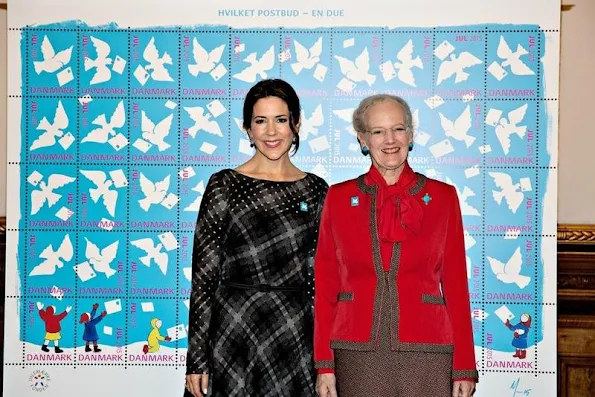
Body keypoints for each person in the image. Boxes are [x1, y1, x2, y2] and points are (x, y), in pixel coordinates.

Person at [313, 94, 478, 397]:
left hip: (428, 352)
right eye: (378, 131)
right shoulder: (338, 198)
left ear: (411, 135)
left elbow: (455, 286)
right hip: (356, 352)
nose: (390, 140)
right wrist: (324, 364)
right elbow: (325, 288)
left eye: (398, 129)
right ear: (363, 140)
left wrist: (465, 365)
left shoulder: (443, 198)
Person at [184, 78, 328, 397]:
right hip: (233, 330)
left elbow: (323, 281)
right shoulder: (224, 185)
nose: (271, 132)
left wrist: (325, 363)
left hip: (293, 332)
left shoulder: (318, 191)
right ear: (248, 129)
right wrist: (196, 360)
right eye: (260, 121)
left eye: (280, 119)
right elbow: (204, 279)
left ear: (296, 123)